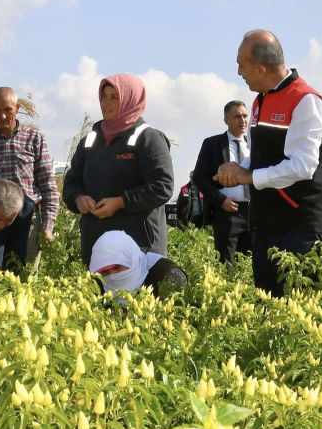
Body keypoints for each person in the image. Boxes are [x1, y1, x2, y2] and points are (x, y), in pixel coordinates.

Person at [216, 30, 322, 296]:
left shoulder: (305, 101)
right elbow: (261, 157)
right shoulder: (260, 101)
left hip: (299, 229)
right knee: (268, 309)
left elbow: (303, 166)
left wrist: (248, 177)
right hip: (266, 225)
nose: (239, 72)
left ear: (260, 68)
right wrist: (238, 168)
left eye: (241, 65)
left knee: (299, 310)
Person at [62, 73, 174, 265]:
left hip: (139, 246)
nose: (106, 103)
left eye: (114, 97)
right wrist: (78, 198)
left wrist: (121, 202)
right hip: (97, 245)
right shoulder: (89, 141)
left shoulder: (148, 138)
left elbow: (162, 187)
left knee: (138, 286)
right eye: (103, 96)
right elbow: (71, 183)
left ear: (131, 100)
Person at [0, 87, 59, 268]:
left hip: (28, 220)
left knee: (24, 275)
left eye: (8, 110)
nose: (3, 116)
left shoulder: (34, 139)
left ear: (17, 108)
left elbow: (49, 187)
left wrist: (47, 227)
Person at [193, 100, 253, 263]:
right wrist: (220, 201)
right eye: (237, 117)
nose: (243, 121)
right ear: (226, 120)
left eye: (245, 116)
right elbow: (199, 177)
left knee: (251, 263)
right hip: (226, 212)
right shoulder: (212, 144)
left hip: (253, 213)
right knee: (227, 263)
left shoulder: (254, 145)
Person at [89, 230, 187, 299]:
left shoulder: (166, 274)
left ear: (130, 259)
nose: (112, 274)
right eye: (105, 271)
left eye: (117, 267)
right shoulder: (97, 284)